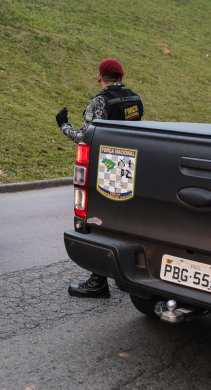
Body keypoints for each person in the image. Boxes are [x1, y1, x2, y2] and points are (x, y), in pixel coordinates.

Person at [56, 58, 144, 297]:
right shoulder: (135, 99)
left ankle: (98, 281)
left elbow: (86, 137)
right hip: (131, 166)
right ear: (122, 77)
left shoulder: (100, 101)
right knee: (125, 220)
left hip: (107, 165)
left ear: (99, 76)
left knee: (98, 221)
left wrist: (63, 125)